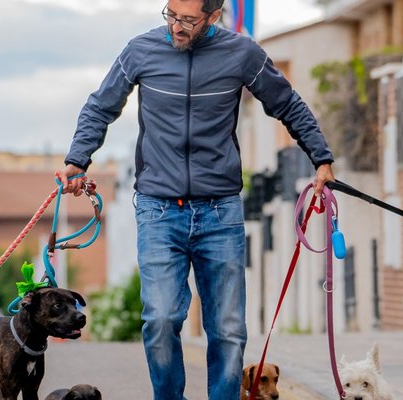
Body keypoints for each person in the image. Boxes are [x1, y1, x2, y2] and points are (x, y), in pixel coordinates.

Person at [58, 0, 336, 398]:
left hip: (219, 210)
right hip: (158, 209)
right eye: (171, 14)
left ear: (213, 16)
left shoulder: (242, 53)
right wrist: (77, 160)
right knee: (160, 319)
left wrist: (321, 158)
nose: (176, 26)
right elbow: (100, 106)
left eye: (187, 19)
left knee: (227, 328)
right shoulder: (140, 50)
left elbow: (288, 104)